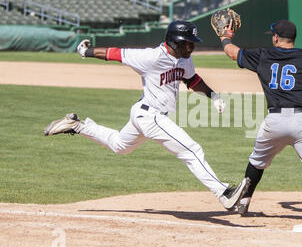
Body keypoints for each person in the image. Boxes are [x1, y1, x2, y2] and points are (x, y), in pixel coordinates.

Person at [44, 20, 250, 211]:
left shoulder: (184, 60)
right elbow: (116, 53)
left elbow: (192, 80)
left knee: (120, 146)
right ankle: (224, 193)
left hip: (145, 115)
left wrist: (213, 96)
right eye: (188, 43)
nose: (192, 47)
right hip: (151, 116)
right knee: (191, 149)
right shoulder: (151, 57)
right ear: (174, 42)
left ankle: (77, 125)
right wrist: (86, 51)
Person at [217, 19, 302, 222]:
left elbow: (232, 52)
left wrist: (225, 37)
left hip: (274, 120)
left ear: (276, 37)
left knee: (257, 162)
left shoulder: (264, 55)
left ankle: (244, 201)